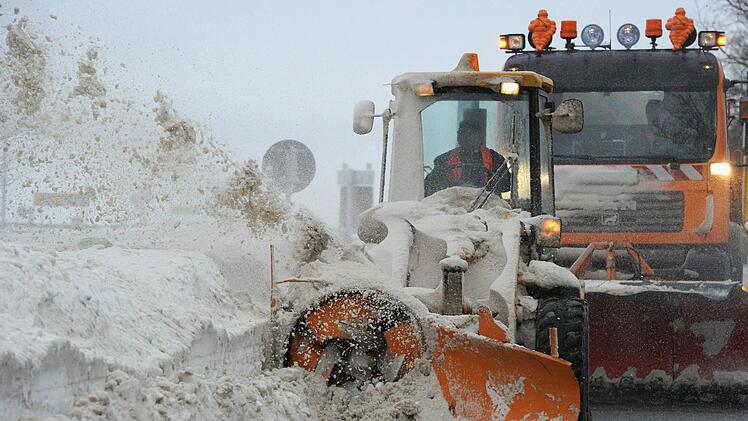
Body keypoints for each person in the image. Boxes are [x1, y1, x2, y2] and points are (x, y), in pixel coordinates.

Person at [424, 115, 510, 196]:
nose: (465, 137)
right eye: (461, 133)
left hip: (486, 207)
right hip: (452, 207)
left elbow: (507, 185)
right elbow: (430, 185)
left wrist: (492, 184)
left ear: (480, 137)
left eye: (470, 133)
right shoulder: (443, 159)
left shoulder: (495, 159)